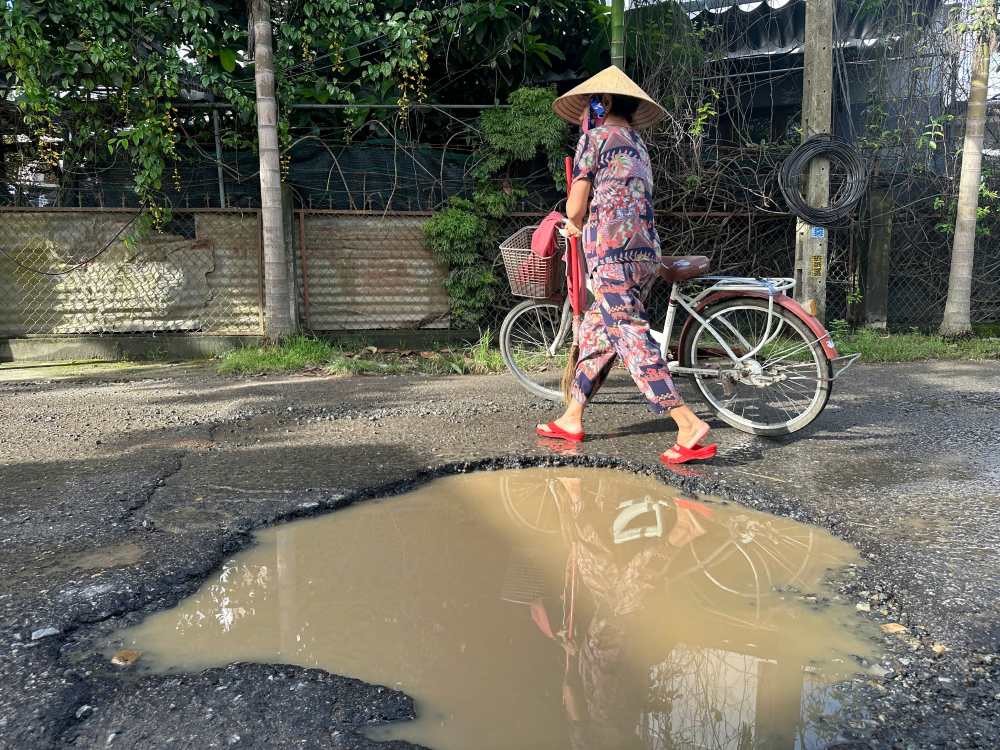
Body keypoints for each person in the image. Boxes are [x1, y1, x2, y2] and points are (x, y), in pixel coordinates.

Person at [535, 66, 716, 465]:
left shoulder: (594, 139)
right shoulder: (637, 143)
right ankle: (571, 416)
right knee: (600, 333)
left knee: (631, 337)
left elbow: (577, 205)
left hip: (612, 257)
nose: (591, 110)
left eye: (593, 103)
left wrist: (572, 222)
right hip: (644, 253)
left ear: (607, 102)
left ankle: (687, 424)